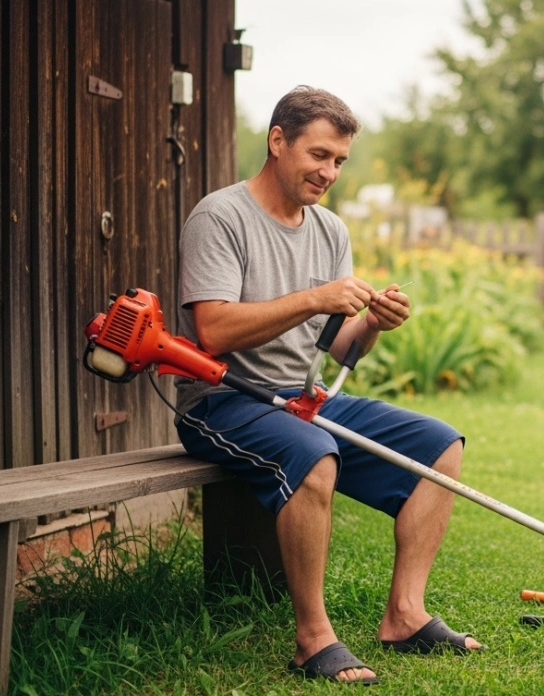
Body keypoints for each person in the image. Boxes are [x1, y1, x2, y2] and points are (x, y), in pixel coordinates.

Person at [173, 85, 481, 685]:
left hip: (301, 397)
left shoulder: (330, 229)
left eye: (339, 160)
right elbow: (210, 331)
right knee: (315, 457)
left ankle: (405, 615)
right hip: (224, 399)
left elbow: (337, 348)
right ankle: (313, 638)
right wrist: (316, 296)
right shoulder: (221, 215)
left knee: (440, 445)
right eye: (319, 155)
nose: (329, 172)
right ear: (277, 140)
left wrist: (371, 324)